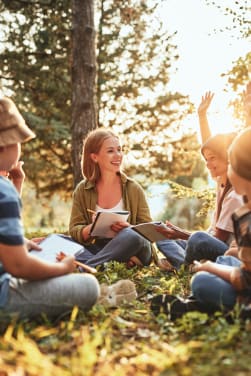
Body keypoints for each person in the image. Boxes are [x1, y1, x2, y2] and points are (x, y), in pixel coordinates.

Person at [0, 97, 101, 319]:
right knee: (89, 287)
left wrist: (19, 244)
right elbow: (18, 266)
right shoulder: (3, 190)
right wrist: (63, 268)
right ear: (6, 144)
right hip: (4, 296)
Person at [151, 127, 251, 319]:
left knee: (202, 282)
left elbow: (245, 279)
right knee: (225, 260)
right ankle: (200, 302)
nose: (209, 164)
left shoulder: (242, 211)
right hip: (237, 264)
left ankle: (201, 304)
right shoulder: (233, 196)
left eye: (232, 164)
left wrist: (210, 267)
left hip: (243, 280)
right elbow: (211, 142)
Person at [155, 92, 243, 270]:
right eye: (206, 160)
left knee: (197, 238)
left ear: (227, 158)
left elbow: (216, 240)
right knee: (162, 237)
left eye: (213, 159)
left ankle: (185, 267)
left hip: (225, 251)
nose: (208, 164)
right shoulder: (221, 181)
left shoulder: (235, 196)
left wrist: (181, 233)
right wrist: (202, 117)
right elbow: (210, 145)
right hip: (205, 244)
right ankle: (187, 264)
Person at [69, 128, 152, 269]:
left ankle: (88, 267)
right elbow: (74, 230)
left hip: (134, 246)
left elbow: (149, 232)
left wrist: (129, 228)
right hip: (100, 248)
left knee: (133, 236)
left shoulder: (133, 188)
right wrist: (92, 228)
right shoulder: (82, 190)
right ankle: (113, 263)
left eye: (119, 150)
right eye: (110, 151)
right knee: (61, 241)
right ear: (95, 157)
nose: (118, 155)